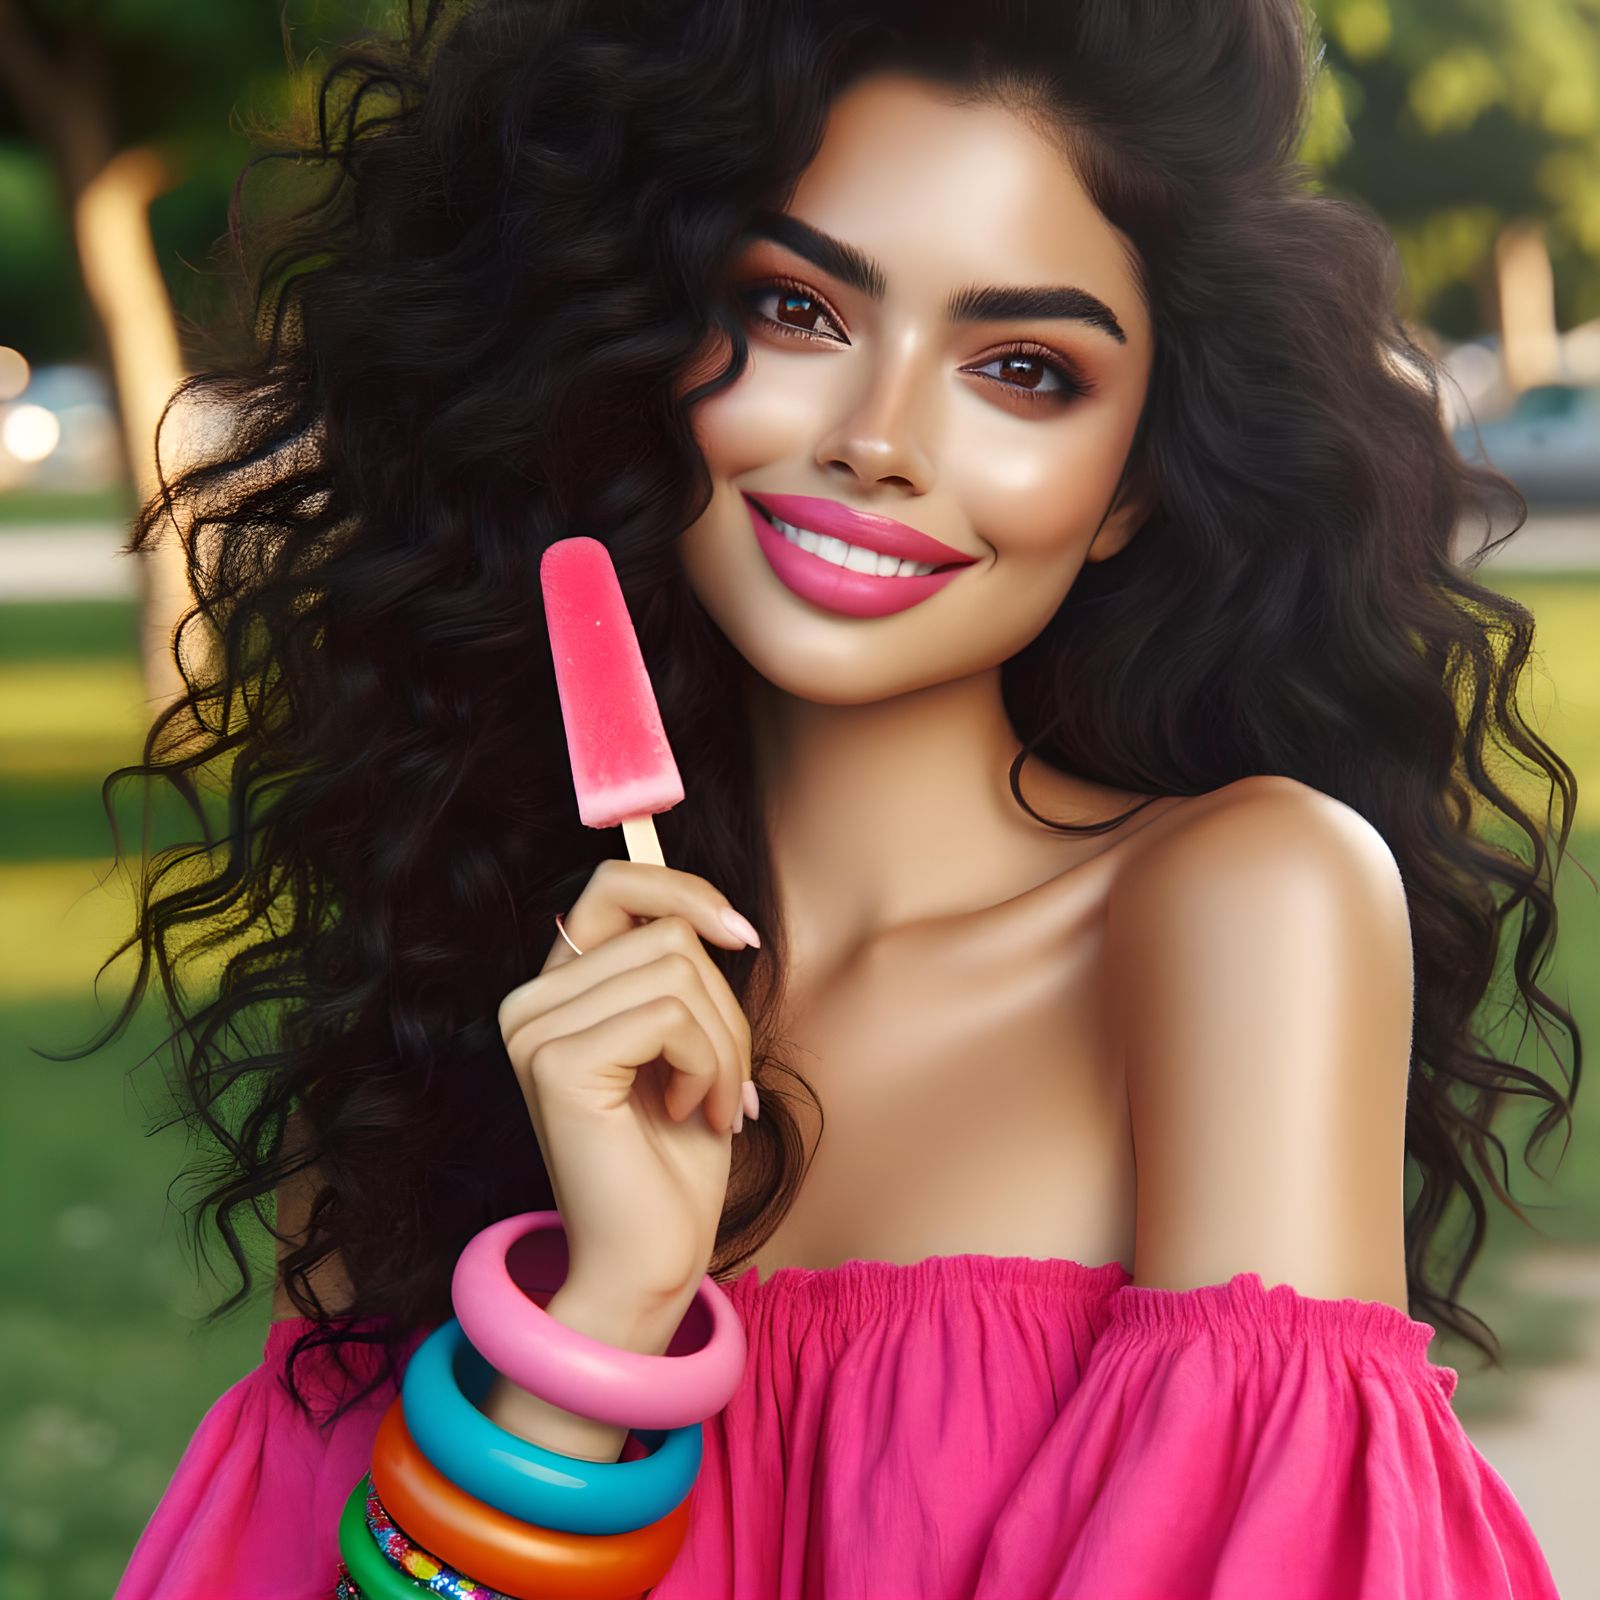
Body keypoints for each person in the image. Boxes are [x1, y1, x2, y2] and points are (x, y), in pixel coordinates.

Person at [98, 0, 1578, 1594]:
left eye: (1024, 369)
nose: (880, 442)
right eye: (795, 309)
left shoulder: (1244, 907)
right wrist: (599, 1318)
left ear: (1136, 480)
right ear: (627, 349)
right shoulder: (452, 1008)